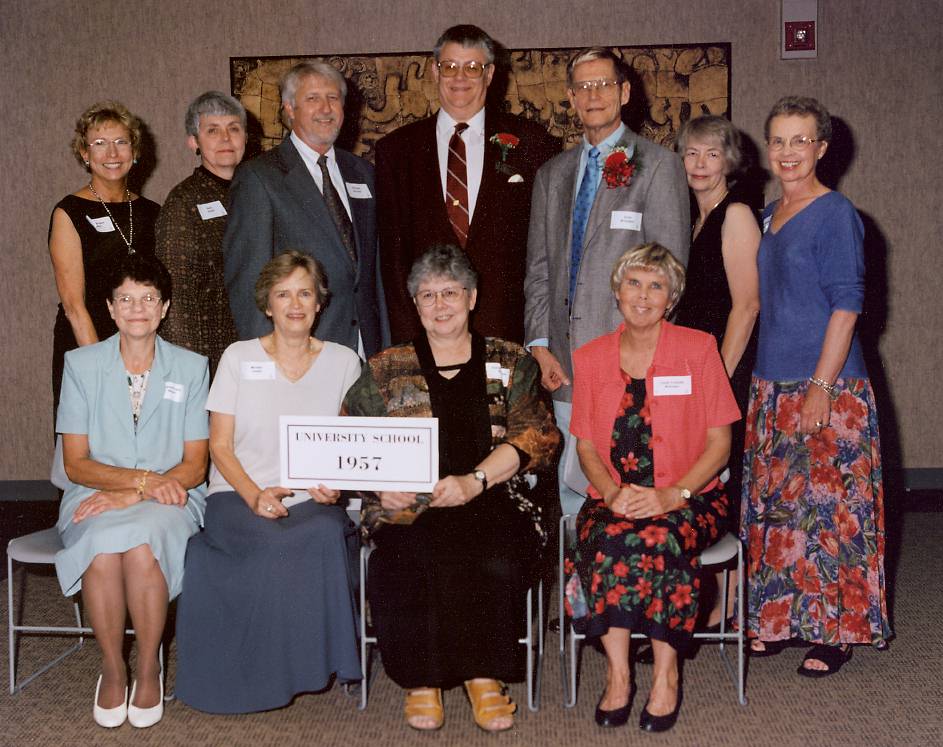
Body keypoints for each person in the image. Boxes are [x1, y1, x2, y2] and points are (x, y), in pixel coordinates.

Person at [343, 245, 560, 732]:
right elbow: (350, 436)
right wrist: (378, 484)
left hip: (495, 495)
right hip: (410, 503)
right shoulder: (386, 367)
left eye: (450, 293)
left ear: (472, 297)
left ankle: (483, 675)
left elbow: (537, 436)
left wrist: (474, 481)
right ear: (415, 305)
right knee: (405, 555)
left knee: (490, 550)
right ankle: (422, 680)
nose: (439, 305)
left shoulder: (510, 360)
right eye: (427, 295)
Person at [174, 251, 362, 714]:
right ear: (267, 304)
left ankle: (311, 667)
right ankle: (261, 678)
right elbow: (220, 446)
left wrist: (335, 484)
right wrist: (254, 494)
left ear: (319, 302)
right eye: (283, 294)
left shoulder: (344, 362)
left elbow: (349, 443)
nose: (295, 304)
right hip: (237, 494)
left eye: (304, 293)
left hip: (311, 499)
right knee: (273, 542)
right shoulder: (238, 358)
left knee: (324, 531)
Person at [563, 243, 740, 733]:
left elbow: (720, 445)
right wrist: (612, 493)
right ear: (617, 291)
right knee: (607, 537)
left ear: (671, 297)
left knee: (659, 538)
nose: (643, 296)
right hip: (613, 496)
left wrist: (672, 494)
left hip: (691, 496)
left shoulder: (698, 349)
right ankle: (618, 674)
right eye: (634, 283)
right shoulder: (590, 358)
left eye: (656, 286)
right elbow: (586, 447)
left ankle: (666, 675)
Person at [741, 96, 890, 676]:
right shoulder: (768, 215)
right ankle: (780, 620)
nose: (787, 152)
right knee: (782, 509)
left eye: (800, 141)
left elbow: (847, 305)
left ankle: (835, 632)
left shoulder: (836, 213)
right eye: (778, 140)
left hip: (829, 383)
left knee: (830, 511)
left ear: (822, 148)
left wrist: (821, 386)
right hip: (771, 381)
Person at [524, 47, 689, 513]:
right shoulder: (551, 175)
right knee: (572, 484)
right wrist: (540, 344)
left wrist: (645, 354)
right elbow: (539, 268)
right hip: (564, 364)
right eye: (583, 87)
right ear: (570, 98)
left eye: (603, 85)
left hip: (630, 363)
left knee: (629, 486)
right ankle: (576, 562)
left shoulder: (659, 166)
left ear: (624, 92)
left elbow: (671, 274)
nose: (593, 95)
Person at [54, 253, 209, 729]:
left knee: (142, 548)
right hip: (93, 491)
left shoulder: (192, 368)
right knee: (102, 549)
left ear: (164, 307)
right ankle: (112, 668)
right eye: (125, 299)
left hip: (172, 496)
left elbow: (195, 465)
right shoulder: (81, 365)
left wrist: (137, 493)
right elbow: (76, 463)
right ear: (110, 308)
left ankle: (147, 668)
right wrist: (140, 482)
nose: (137, 308)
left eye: (148, 298)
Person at [376, 24, 560, 344]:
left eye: (472, 67)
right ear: (435, 71)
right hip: (427, 335)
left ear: (489, 74)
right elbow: (392, 262)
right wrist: (408, 344)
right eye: (450, 67)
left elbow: (546, 253)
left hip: (508, 332)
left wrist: (538, 338)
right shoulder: (396, 150)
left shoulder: (533, 143)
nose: (459, 78)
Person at [223, 61, 388, 359]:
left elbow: (373, 275)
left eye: (333, 98)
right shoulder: (259, 177)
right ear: (289, 108)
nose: (325, 109)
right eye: (312, 98)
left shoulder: (363, 173)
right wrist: (266, 360)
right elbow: (249, 284)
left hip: (367, 352)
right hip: (300, 354)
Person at [673, 114, 761, 629]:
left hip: (729, 369)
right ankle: (716, 598)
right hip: (699, 370)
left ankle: (728, 601)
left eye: (711, 154)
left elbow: (746, 307)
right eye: (691, 153)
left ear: (729, 161)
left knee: (728, 473)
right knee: (710, 475)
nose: (700, 164)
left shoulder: (737, 215)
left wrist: (719, 383)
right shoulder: (693, 218)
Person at [50, 101, 160, 420]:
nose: (112, 153)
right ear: (84, 153)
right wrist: (106, 371)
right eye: (99, 143)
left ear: (134, 151)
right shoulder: (69, 212)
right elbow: (74, 306)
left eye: (121, 142)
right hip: (88, 345)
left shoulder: (153, 213)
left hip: (143, 345)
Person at [154, 91, 247, 375]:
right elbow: (175, 297)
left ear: (246, 137)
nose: (225, 138)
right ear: (194, 142)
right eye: (212, 130)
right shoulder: (183, 202)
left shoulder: (260, 190)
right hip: (209, 355)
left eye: (234, 128)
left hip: (260, 349)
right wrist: (189, 372)